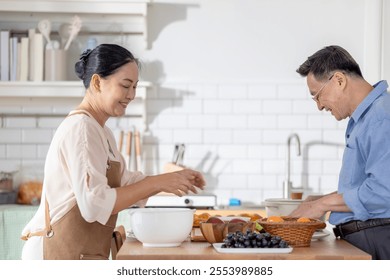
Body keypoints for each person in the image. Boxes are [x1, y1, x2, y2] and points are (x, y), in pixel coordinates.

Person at [21, 44, 206, 260]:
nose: (132, 95)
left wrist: (171, 179)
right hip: (53, 256)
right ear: (97, 82)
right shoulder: (81, 128)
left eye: (135, 87)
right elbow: (93, 204)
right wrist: (159, 183)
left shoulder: (102, 131)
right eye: (126, 85)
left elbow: (125, 182)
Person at [291, 45, 390, 259]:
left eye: (317, 95)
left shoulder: (381, 117)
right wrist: (320, 200)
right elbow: (367, 185)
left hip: (379, 238)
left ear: (339, 80)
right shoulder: (364, 119)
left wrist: (323, 204)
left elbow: (384, 191)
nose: (318, 106)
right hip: (368, 237)